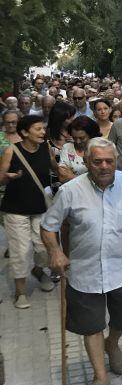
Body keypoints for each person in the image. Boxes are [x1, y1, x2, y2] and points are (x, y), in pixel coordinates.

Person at [40, 137, 122, 385]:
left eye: (109, 161)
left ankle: (111, 344)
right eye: (97, 161)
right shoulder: (70, 191)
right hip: (84, 272)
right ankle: (101, 378)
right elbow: (48, 225)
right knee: (91, 326)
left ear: (116, 162)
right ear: (87, 162)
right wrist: (55, 251)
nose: (104, 166)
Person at [0, 115, 58, 309]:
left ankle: (38, 270)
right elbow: (1, 178)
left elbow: (54, 167)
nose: (43, 132)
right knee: (21, 251)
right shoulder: (12, 150)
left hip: (40, 207)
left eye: (43, 128)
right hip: (16, 209)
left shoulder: (45, 147)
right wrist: (8, 177)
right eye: (38, 129)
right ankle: (21, 292)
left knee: (43, 248)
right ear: (24, 132)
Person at [58, 116, 101, 183]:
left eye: (82, 138)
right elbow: (62, 177)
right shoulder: (67, 147)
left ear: (91, 135)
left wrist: (72, 176)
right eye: (74, 138)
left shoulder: (100, 148)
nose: (78, 141)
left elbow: (99, 179)